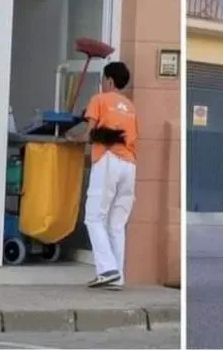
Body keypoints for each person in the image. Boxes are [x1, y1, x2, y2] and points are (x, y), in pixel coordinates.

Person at [83, 60, 138, 289]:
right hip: (129, 165)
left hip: (108, 161)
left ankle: (107, 270)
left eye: (102, 79)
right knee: (116, 223)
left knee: (94, 217)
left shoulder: (99, 99)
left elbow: (90, 134)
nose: (102, 83)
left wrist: (75, 138)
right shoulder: (130, 107)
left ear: (109, 80)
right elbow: (130, 138)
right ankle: (117, 278)